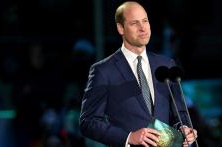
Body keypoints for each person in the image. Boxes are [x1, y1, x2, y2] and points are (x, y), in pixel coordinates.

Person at [79, 1, 197, 147]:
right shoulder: (103, 71)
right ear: (121, 28)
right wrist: (128, 137)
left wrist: (184, 129)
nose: (143, 28)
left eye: (145, 21)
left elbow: (179, 113)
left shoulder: (166, 65)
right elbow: (88, 122)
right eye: (135, 23)